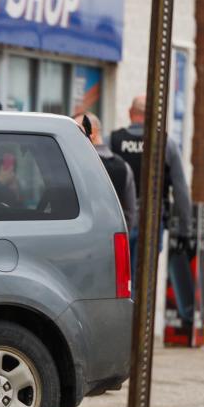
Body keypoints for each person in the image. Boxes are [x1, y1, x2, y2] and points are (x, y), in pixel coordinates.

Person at [110, 94, 194, 323]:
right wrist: (185, 230)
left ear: (130, 112)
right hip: (152, 221)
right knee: (144, 280)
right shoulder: (165, 143)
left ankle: (121, 329)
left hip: (119, 221)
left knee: (118, 280)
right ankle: (139, 330)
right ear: (152, 116)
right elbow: (181, 190)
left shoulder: (114, 141)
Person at [74, 111, 137, 231]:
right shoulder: (124, 167)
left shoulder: (77, 164)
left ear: (92, 132)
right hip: (112, 239)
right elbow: (130, 214)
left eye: (77, 131)